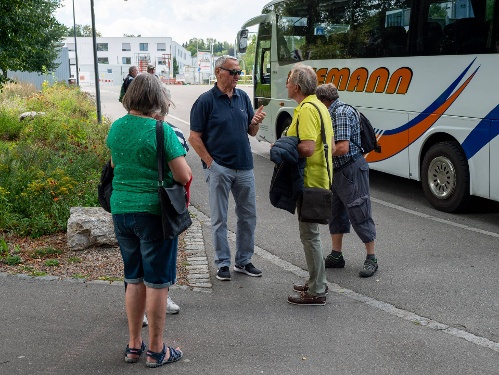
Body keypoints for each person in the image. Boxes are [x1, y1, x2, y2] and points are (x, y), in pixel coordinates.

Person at [108, 73, 191, 367]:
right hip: (154, 212)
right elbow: (183, 175)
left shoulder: (116, 127)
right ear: (157, 97)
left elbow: (116, 164)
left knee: (134, 278)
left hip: (121, 210)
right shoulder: (161, 130)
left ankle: (133, 346)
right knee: (157, 282)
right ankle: (157, 350)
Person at [189, 55, 265, 281]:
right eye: (233, 72)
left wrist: (256, 122)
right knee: (220, 218)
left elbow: (250, 132)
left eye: (239, 72)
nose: (237, 77)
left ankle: (243, 261)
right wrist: (211, 164)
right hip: (219, 168)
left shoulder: (242, 97)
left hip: (245, 167)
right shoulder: (205, 101)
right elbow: (194, 137)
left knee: (248, 216)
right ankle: (222, 263)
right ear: (218, 72)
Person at [281, 64, 334, 306]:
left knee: (310, 236)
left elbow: (308, 147)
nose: (286, 84)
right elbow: (330, 148)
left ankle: (316, 290)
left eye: (289, 80)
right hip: (320, 178)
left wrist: (283, 147)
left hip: (310, 181)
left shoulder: (306, 110)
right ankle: (317, 280)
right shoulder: (319, 106)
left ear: (298, 87)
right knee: (312, 235)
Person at [315, 83, 378, 278]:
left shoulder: (340, 113)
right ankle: (336, 255)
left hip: (350, 169)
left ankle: (371, 258)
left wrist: (316, 152)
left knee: (359, 211)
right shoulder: (333, 111)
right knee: (335, 213)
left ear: (323, 100)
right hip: (337, 170)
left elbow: (342, 147)